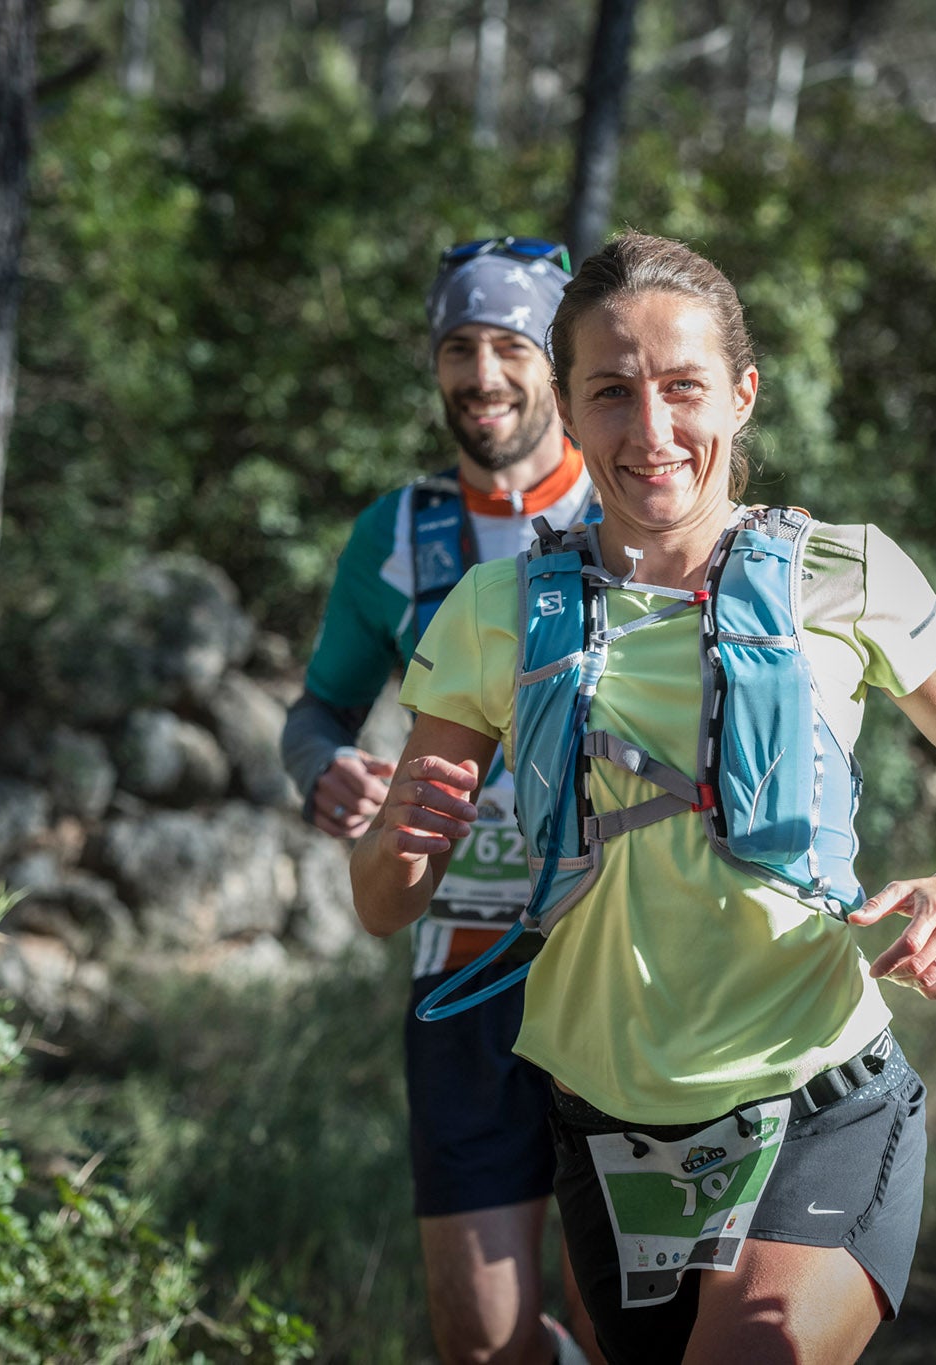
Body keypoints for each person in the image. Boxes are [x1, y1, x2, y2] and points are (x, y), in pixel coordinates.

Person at [350, 231, 936, 1363]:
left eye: (683, 388)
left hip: (819, 1100)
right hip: (604, 1129)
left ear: (743, 393)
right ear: (569, 414)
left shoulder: (844, 570)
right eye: (612, 394)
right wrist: (401, 844)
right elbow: (383, 902)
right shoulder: (491, 610)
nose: (653, 430)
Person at [280, 236, 599, 1365]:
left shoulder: (633, 512)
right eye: (457, 347)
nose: (481, 375)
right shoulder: (397, 535)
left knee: (627, 1330)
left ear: (556, 361)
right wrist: (323, 767)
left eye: (510, 345)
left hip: (618, 966)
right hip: (461, 974)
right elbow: (315, 712)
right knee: (479, 1346)